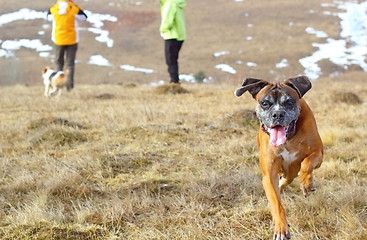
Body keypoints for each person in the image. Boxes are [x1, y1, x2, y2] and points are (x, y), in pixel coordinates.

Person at [47, 0, 87, 91]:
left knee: (58, 62)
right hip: (72, 40)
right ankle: (69, 86)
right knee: (70, 64)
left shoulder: (54, 9)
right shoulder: (74, 9)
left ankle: (57, 84)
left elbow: (48, 17)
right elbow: (84, 17)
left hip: (58, 39)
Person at [160, 0, 186, 84]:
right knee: (173, 59)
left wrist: (163, 29)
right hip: (179, 34)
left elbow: (168, 20)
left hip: (171, 35)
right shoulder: (176, 2)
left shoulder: (170, 3)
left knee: (170, 60)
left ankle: (174, 82)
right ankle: (174, 81)